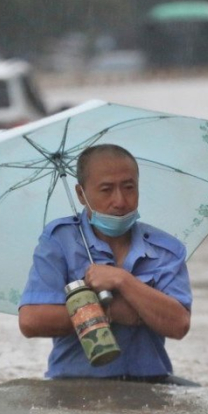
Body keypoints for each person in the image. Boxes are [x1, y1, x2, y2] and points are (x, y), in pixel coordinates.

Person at [18, 144, 192, 381]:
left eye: (129, 188)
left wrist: (123, 280)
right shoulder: (59, 241)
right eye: (106, 190)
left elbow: (179, 324)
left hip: (150, 385)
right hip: (75, 386)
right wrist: (112, 311)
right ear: (81, 194)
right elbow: (31, 320)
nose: (120, 201)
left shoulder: (166, 250)